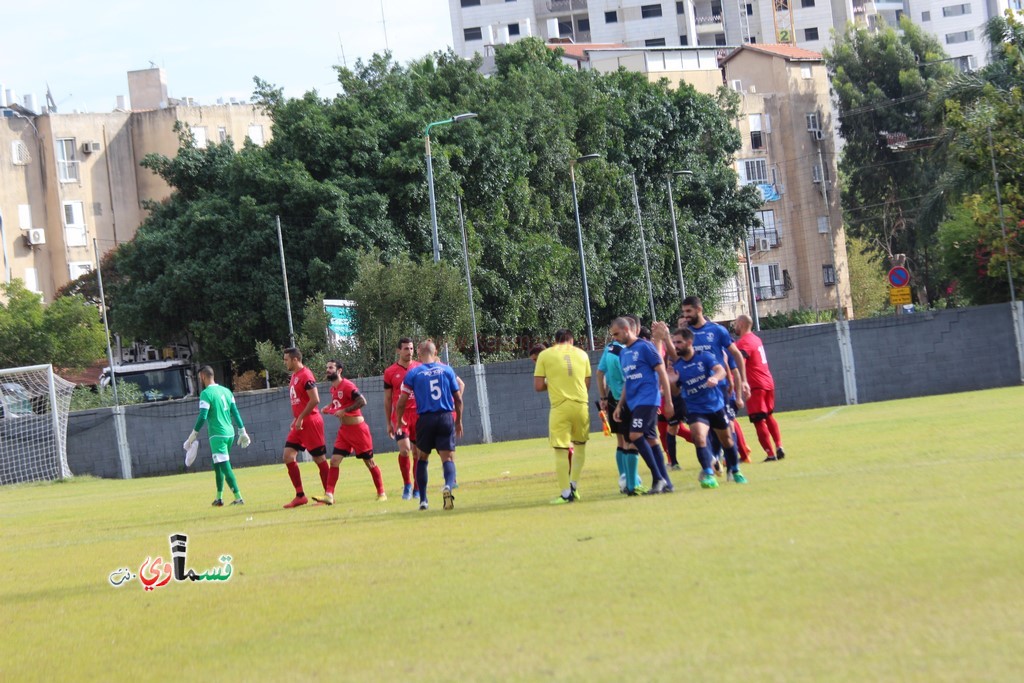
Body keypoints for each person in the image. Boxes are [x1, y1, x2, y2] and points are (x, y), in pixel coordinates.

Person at [674, 297, 752, 468]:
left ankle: (728, 462)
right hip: (693, 390)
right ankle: (714, 461)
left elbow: (735, 355)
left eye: (689, 311)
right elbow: (673, 359)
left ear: (699, 309)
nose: (686, 316)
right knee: (701, 431)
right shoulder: (684, 335)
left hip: (718, 387)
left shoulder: (717, 330)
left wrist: (743, 381)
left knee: (724, 430)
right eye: (684, 312)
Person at [670, 327, 747, 487]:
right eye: (673, 342)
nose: (675, 346)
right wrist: (672, 382)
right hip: (695, 409)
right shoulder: (677, 367)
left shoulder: (705, 357)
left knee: (727, 440)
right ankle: (709, 473)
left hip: (715, 406)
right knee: (699, 437)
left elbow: (721, 371)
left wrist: (715, 378)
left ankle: (735, 470)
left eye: (678, 342)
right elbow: (676, 392)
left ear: (689, 342)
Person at [396, 340, 464, 511]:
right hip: (445, 417)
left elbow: (401, 401)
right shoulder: (447, 370)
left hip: (425, 419)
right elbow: (458, 399)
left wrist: (398, 420)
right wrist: (458, 420)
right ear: (435, 353)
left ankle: (423, 500)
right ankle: (448, 485)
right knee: (447, 458)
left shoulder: (414, 373)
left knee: (422, 458)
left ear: (419, 354)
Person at [611, 317, 675, 495]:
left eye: (616, 334)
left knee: (635, 435)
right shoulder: (623, 354)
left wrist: (668, 401)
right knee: (652, 440)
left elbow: (661, 371)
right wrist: (619, 406)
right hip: (633, 403)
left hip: (647, 400)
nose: (614, 338)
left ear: (626, 329)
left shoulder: (645, 347)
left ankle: (658, 479)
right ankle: (667, 483)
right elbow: (628, 381)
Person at [313, 360, 386, 505]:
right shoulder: (333, 389)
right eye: (327, 367)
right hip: (344, 432)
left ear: (339, 371)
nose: (328, 370)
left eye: (331, 368)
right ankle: (329, 495)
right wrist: (329, 407)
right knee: (334, 461)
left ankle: (381, 493)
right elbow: (339, 403)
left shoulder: (347, 385)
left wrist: (344, 411)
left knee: (369, 462)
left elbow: (362, 401)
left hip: (358, 431)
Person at [533, 329, 591, 505]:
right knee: (580, 446)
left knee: (561, 450)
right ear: (571, 340)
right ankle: (573, 486)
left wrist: (552, 384)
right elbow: (586, 384)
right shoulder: (582, 354)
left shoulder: (545, 355)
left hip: (560, 407)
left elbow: (537, 386)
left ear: (555, 340)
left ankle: (566, 494)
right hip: (581, 405)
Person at [183, 366, 250, 506]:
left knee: (225, 466)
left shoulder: (206, 393)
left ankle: (238, 497)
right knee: (218, 464)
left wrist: (193, 435)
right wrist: (242, 430)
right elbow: (235, 412)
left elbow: (203, 416)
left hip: (217, 435)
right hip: (229, 433)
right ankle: (219, 498)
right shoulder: (226, 391)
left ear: (202, 376)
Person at [280, 347, 329, 509]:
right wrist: (296, 419)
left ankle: (329, 495)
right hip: (299, 423)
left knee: (319, 459)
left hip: (310, 422)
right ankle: (300, 495)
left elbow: (315, 399)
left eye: (286, 359)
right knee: (288, 455)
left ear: (295, 359)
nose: (284, 362)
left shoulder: (306, 375)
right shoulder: (294, 376)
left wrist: (300, 417)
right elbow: (300, 401)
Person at [732, 314, 785, 462]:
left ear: (742, 324)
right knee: (768, 416)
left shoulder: (744, 342)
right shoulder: (756, 339)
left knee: (758, 420)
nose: (734, 326)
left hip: (756, 385)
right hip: (768, 382)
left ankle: (770, 454)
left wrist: (740, 381)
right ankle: (779, 446)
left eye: (736, 323)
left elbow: (740, 362)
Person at [596, 332, 644, 494]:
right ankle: (632, 481)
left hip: (612, 397)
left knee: (620, 441)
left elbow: (599, 372)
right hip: (627, 399)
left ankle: (624, 477)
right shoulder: (626, 351)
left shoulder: (609, 348)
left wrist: (603, 396)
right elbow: (629, 379)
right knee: (632, 440)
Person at [383, 338, 420, 500]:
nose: (409, 352)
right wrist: (388, 423)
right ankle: (407, 485)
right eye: (406, 349)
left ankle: (418, 488)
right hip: (399, 417)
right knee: (404, 450)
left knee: (417, 453)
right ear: (399, 351)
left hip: (418, 416)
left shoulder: (419, 367)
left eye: (411, 349)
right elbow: (388, 399)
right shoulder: (390, 372)